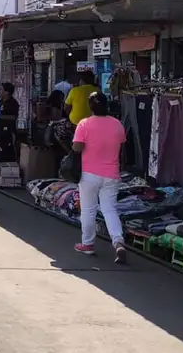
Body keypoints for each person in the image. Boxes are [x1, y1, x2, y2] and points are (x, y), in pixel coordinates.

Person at [72, 91, 127, 263]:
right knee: (110, 209)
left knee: (89, 210)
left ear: (90, 106)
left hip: (89, 174)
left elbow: (77, 148)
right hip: (112, 174)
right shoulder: (117, 124)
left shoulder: (84, 124)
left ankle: (87, 244)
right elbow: (123, 148)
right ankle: (118, 241)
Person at [0, 82, 19, 162]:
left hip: (8, 133)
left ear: (7, 92)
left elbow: (14, 117)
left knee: (7, 153)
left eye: (2, 90)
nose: (0, 91)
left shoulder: (13, 103)